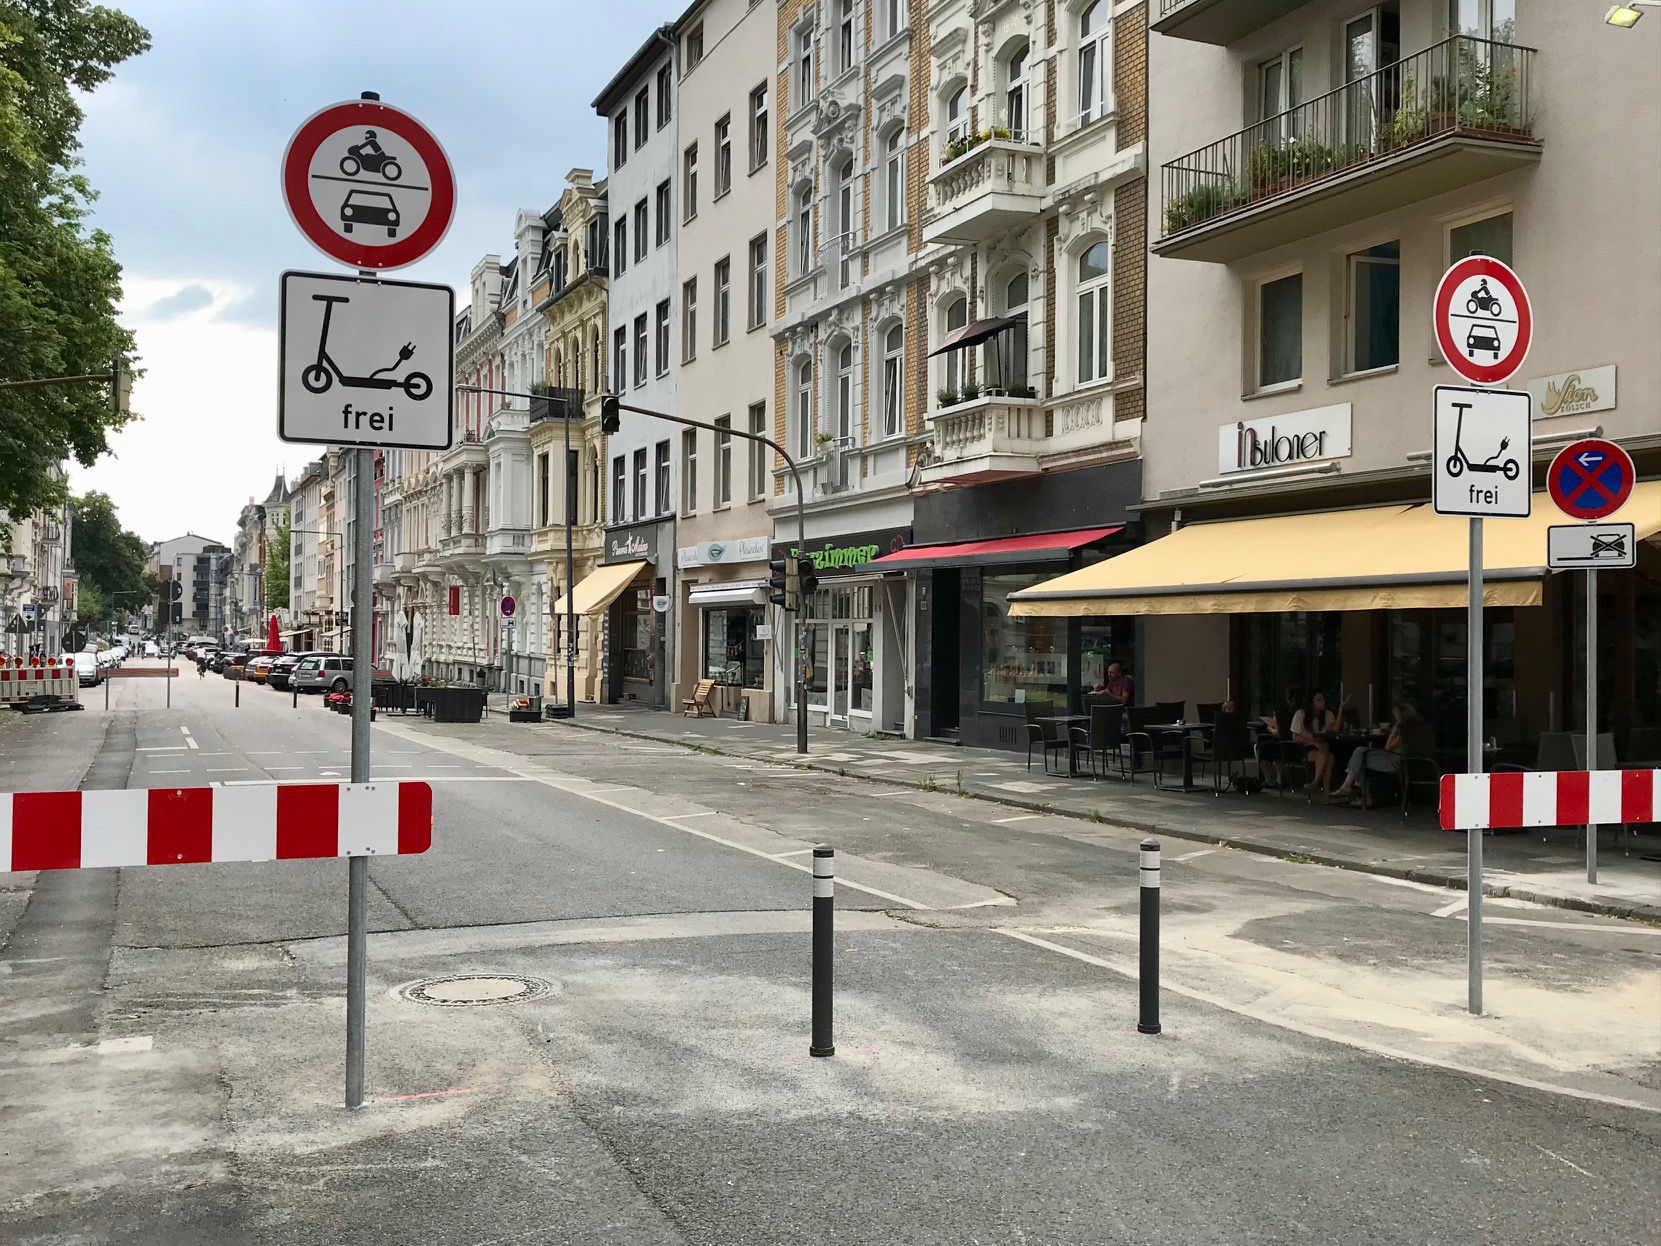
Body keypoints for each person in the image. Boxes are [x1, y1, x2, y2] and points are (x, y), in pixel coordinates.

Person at [1330, 700, 1423, 807]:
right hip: (1406, 761)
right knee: (1360, 753)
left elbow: (1388, 746)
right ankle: (1349, 788)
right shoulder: (1417, 728)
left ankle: (1354, 790)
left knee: (1360, 756)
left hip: (1397, 762)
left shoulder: (1404, 732)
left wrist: (1395, 729)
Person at [1291, 690, 1338, 794]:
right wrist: (1314, 742)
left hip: (1321, 747)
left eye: (1323, 699)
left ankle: (1323, 788)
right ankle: (1318, 784)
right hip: (1303, 748)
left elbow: (1335, 730)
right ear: (1312, 702)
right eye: (1319, 700)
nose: (1323, 702)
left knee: (1330, 756)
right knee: (1325, 753)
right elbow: (1295, 736)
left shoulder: (1327, 714)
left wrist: (1341, 709)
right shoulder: (1300, 714)